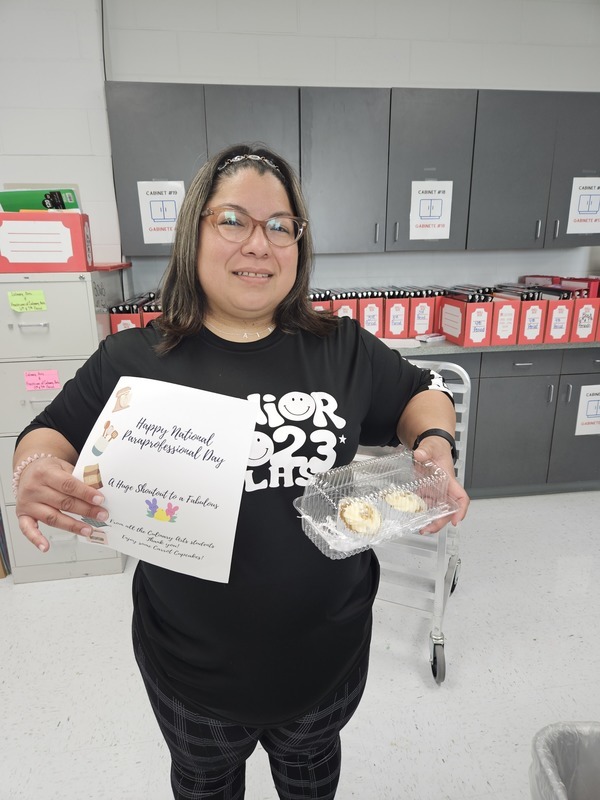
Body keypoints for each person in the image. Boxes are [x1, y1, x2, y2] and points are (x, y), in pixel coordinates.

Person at [13, 143, 470, 800]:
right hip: (191, 673)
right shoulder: (134, 359)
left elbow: (420, 392)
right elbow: (48, 432)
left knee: (311, 775)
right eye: (233, 220)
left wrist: (433, 441)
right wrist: (34, 467)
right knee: (205, 783)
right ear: (193, 233)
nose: (259, 243)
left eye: (281, 226)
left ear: (299, 246)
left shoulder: (341, 348)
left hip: (327, 660)